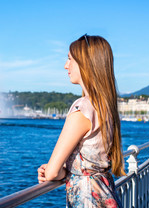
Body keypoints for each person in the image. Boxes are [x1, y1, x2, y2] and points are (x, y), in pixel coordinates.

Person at [37, 35, 125, 207]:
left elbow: (53, 172)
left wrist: (51, 171)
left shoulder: (82, 108)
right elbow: (88, 167)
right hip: (107, 195)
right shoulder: (105, 107)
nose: (65, 66)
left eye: (70, 59)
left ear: (85, 63)